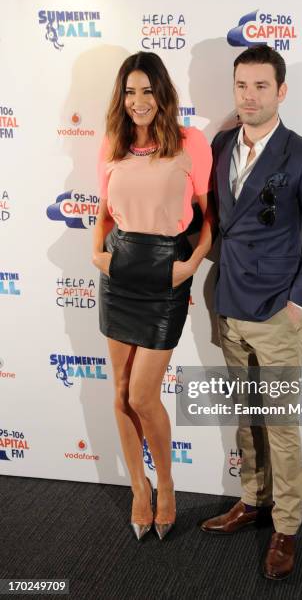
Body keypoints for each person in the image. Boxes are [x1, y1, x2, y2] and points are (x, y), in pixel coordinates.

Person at [200, 45, 302, 579]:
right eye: (242, 86)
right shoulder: (218, 145)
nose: (250, 96)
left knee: (280, 423)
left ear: (281, 91)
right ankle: (252, 501)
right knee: (247, 416)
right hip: (228, 304)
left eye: (261, 86)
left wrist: (298, 303)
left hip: (277, 313)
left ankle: (286, 527)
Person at [93, 52, 213, 541]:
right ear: (121, 98)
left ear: (162, 93)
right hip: (119, 273)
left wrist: (190, 263)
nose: (137, 102)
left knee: (144, 393)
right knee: (121, 393)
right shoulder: (113, 144)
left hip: (166, 276)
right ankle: (138, 489)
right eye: (129, 91)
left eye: (146, 90)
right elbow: (103, 211)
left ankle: (166, 483)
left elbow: (210, 216)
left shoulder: (191, 143)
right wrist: (96, 254)